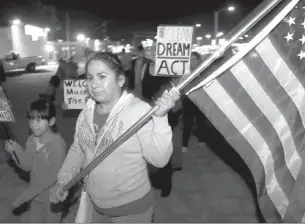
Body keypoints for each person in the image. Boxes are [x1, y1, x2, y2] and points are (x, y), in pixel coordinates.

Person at [49, 52, 179, 223]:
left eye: (102, 76)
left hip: (131, 212)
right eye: (90, 78)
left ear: (120, 80)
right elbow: (78, 149)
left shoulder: (138, 111)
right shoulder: (86, 112)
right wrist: (63, 179)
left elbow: (159, 160)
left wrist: (161, 118)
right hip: (93, 207)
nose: (94, 84)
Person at [5, 97, 67, 223]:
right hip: (36, 197)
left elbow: (52, 177)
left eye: (39, 120)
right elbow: (27, 165)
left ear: (51, 121)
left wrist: (25, 196)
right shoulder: (31, 140)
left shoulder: (57, 144)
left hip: (52, 198)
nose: (33, 124)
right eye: (31, 119)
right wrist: (15, 150)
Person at [138, 49, 183, 198]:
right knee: (149, 145)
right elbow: (140, 90)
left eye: (154, 49)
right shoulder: (144, 67)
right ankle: (153, 178)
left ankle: (165, 181)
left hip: (167, 114)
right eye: (150, 48)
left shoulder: (170, 68)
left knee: (163, 147)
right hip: (147, 114)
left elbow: (178, 86)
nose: (149, 51)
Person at [182, 52, 210, 152]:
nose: (192, 62)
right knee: (187, 122)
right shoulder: (185, 72)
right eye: (191, 59)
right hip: (188, 100)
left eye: (194, 59)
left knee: (201, 121)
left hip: (200, 99)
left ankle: (201, 140)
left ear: (198, 61)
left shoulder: (203, 71)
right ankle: (184, 144)